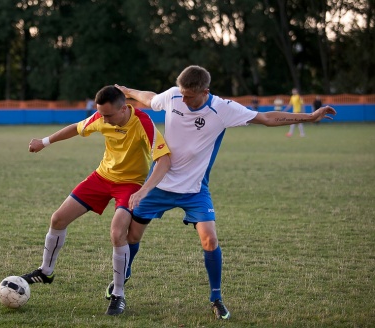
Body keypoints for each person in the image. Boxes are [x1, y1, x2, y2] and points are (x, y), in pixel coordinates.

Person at [109, 65, 336, 321]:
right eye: (182, 94)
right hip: (159, 183)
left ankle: (216, 298)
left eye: (190, 96)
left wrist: (309, 117)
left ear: (205, 92)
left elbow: (266, 118)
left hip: (195, 189)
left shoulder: (223, 109)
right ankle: (122, 278)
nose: (183, 100)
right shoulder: (174, 95)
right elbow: (150, 98)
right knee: (132, 237)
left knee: (210, 240)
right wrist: (128, 91)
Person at [20, 85, 171, 316]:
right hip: (101, 177)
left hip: (130, 184)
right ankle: (46, 271)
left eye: (108, 115)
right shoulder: (101, 118)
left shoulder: (143, 123)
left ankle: (118, 294)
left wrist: (144, 190)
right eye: (101, 114)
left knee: (116, 232)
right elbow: (76, 128)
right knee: (58, 219)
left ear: (123, 109)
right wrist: (44, 141)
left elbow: (164, 160)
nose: (103, 119)